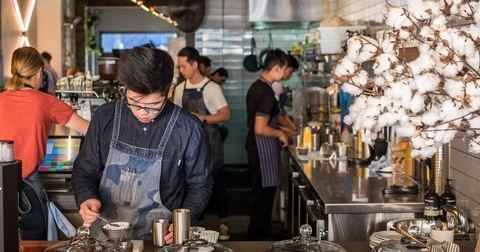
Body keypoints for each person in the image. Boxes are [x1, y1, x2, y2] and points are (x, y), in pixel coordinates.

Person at [72, 44, 212, 241]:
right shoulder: (105, 118)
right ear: (125, 89)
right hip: (106, 238)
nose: (142, 112)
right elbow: (84, 170)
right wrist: (87, 198)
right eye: (134, 102)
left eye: (153, 105)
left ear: (169, 90)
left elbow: (200, 185)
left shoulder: (188, 128)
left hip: (161, 240)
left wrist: (183, 221)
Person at [0, 47, 89, 239]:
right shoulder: (46, 102)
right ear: (39, 72)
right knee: (34, 243)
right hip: (28, 188)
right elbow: (89, 130)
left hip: (1, 184)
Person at [173, 47, 231, 240]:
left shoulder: (212, 87)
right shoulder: (180, 88)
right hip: (189, 146)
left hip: (211, 143)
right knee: (192, 185)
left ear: (194, 64)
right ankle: (198, 228)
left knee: (217, 184)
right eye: (179, 66)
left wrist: (203, 118)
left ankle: (224, 224)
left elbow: (225, 114)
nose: (181, 70)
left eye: (183, 66)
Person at [245, 49, 290, 240]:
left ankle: (257, 233)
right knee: (264, 194)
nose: (285, 74)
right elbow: (260, 128)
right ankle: (259, 237)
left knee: (261, 192)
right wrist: (280, 132)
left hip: (257, 147)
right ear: (277, 68)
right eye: (285, 69)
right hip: (261, 147)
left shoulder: (257, 86)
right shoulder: (265, 92)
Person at [272, 54, 299, 135]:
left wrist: (293, 126)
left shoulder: (278, 84)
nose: (290, 76)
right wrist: (293, 129)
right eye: (290, 72)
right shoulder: (275, 85)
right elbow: (279, 115)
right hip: (271, 128)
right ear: (284, 67)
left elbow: (281, 111)